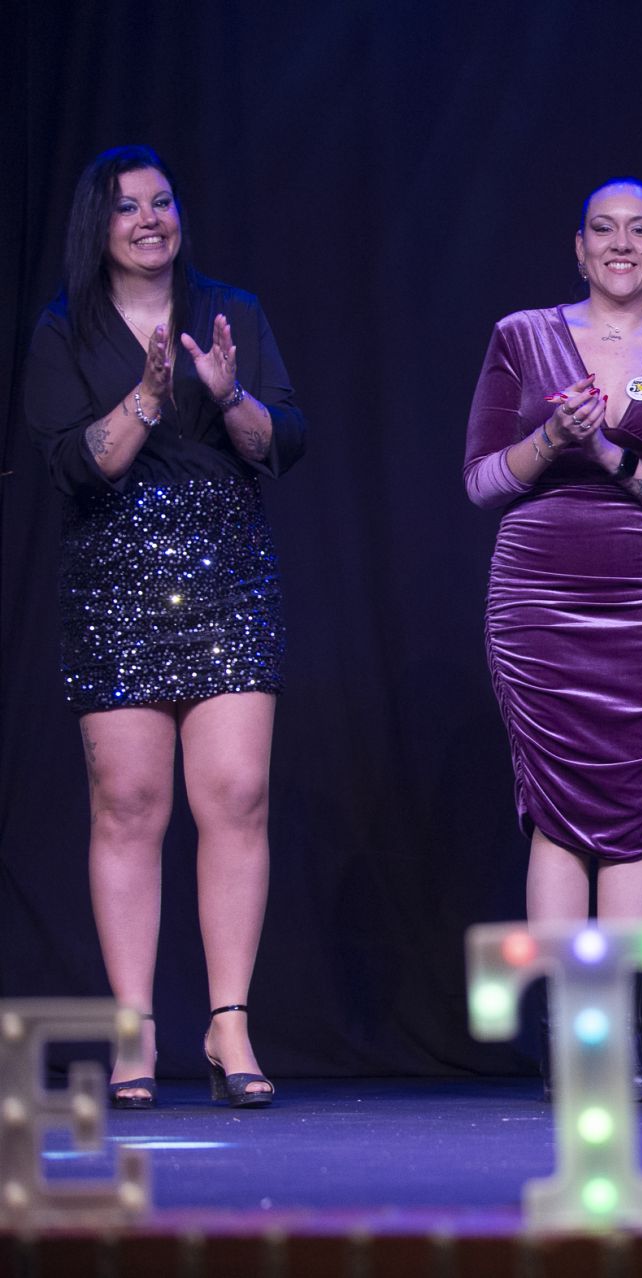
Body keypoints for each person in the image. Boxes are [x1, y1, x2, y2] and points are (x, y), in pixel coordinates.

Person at [23, 145, 308, 1108]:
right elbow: (76, 465)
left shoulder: (233, 310)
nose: (151, 219)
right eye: (128, 207)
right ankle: (133, 1032)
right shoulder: (63, 328)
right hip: (114, 577)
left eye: (163, 202)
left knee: (237, 792)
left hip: (226, 568)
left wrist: (227, 396)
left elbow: (285, 443)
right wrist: (147, 397)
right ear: (97, 225)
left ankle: (229, 1022)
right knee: (129, 806)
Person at [463, 177, 642, 1101]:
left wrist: (611, 451)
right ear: (578, 247)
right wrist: (551, 440)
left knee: (635, 814)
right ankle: (570, 1038)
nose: (622, 245)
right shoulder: (521, 336)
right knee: (554, 810)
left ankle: (617, 1037)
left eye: (641, 231)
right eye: (604, 230)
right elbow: (483, 482)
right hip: (538, 597)